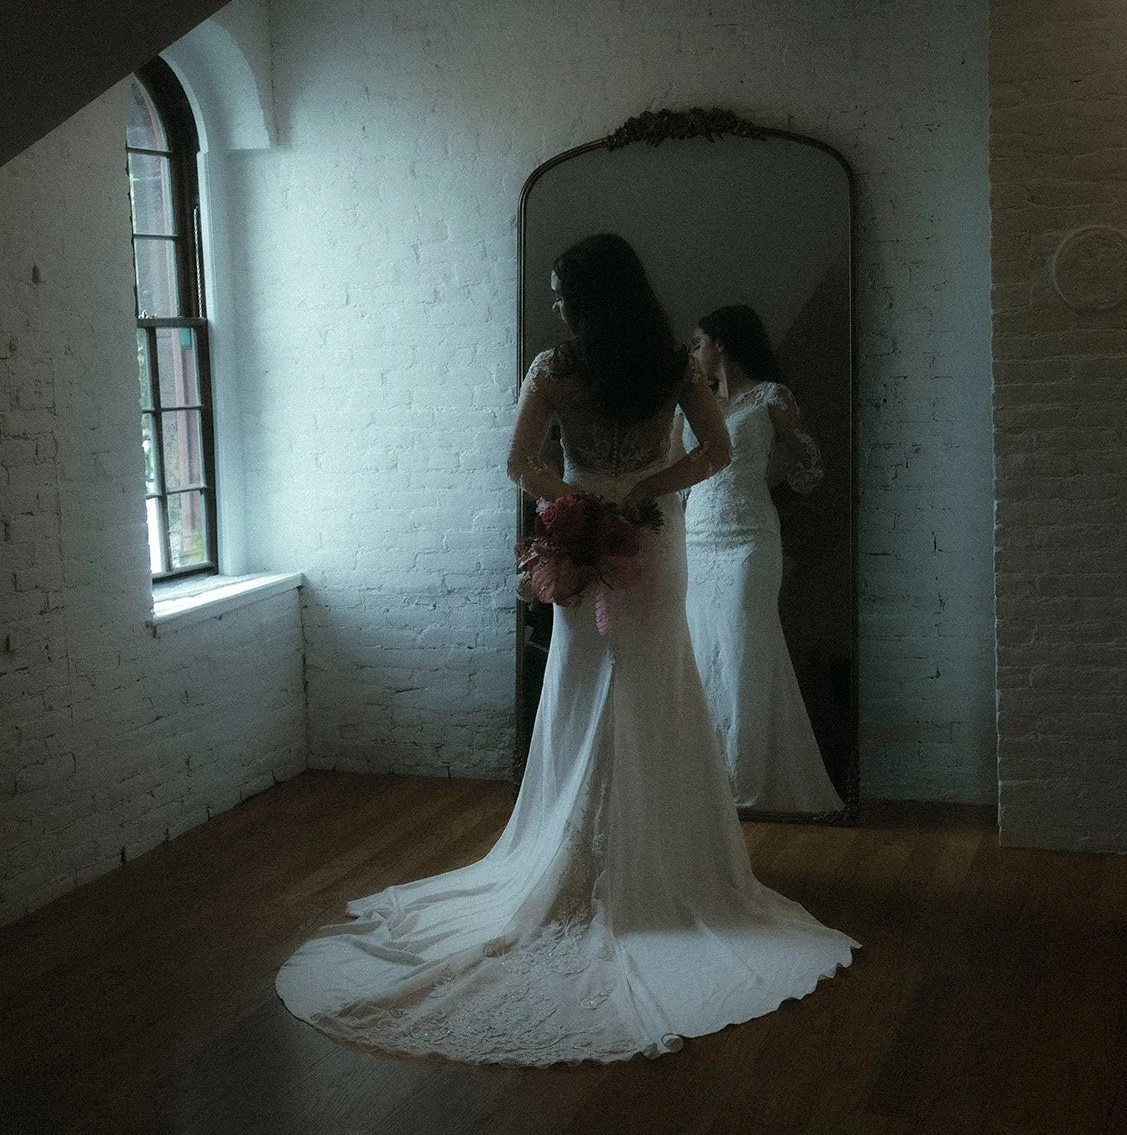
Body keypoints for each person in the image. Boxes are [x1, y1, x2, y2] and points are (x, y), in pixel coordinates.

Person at [276, 236, 855, 1065]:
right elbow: (715, 453)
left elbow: (518, 462)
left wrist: (579, 495)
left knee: (593, 679)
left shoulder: (557, 367)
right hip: (651, 543)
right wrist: (637, 491)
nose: (553, 307)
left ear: (590, 299)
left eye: (560, 293)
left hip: (591, 536)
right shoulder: (666, 365)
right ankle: (650, 858)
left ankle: (604, 851)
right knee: (643, 680)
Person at [685, 304, 843, 817]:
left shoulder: (772, 398)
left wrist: (765, 474)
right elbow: (676, 469)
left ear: (722, 344)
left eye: (698, 342)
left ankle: (744, 780)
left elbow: (808, 468)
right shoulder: (694, 403)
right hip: (696, 538)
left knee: (742, 649)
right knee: (700, 647)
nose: (695, 352)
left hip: (749, 539)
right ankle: (702, 775)